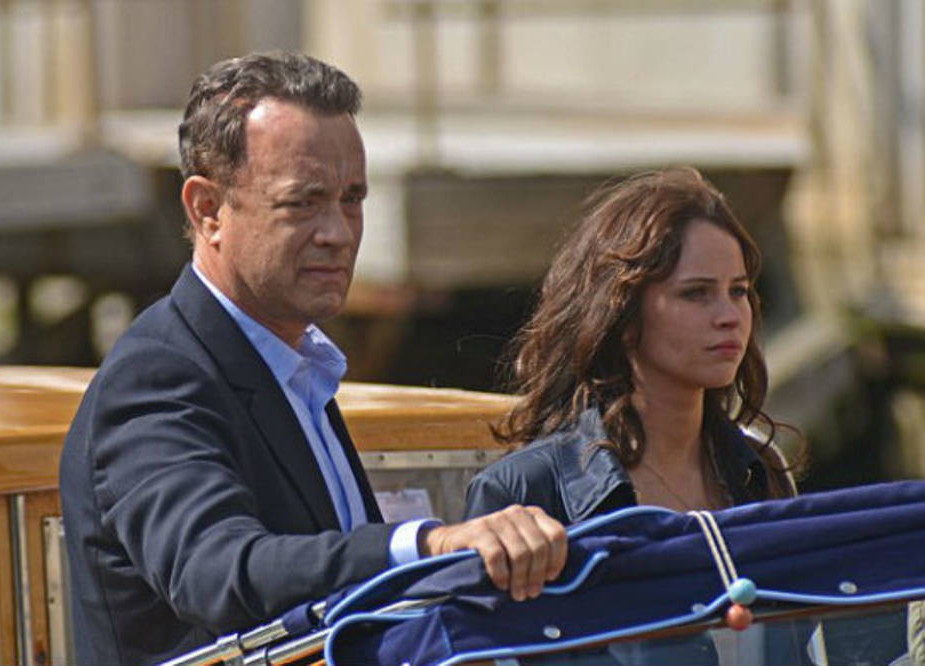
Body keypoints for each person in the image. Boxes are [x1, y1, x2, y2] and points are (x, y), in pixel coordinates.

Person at [59, 51, 566, 666]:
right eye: (303, 202)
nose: (339, 232)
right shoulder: (157, 377)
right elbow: (216, 572)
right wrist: (428, 544)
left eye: (352, 199)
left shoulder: (297, 366)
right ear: (207, 211)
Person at [464, 167, 798, 525]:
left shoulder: (760, 470)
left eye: (738, 291)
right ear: (623, 314)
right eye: (695, 293)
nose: (729, 316)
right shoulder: (524, 490)